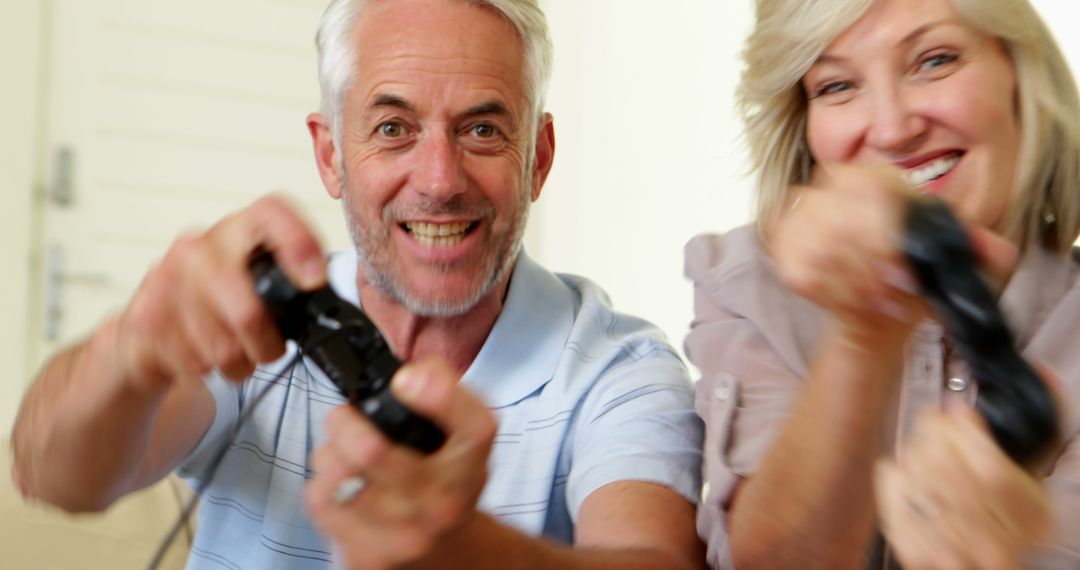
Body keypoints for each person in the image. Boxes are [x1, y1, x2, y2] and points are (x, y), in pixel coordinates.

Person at [11, 1, 706, 568]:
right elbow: (53, 475)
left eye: (483, 129)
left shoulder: (621, 370)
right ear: (330, 155)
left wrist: (457, 550)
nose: (439, 180)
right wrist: (135, 348)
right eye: (394, 127)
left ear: (539, 160)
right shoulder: (257, 321)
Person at [685, 0, 1080, 568]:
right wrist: (866, 330)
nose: (894, 131)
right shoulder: (745, 283)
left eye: (935, 60)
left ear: (1019, 72)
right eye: (838, 86)